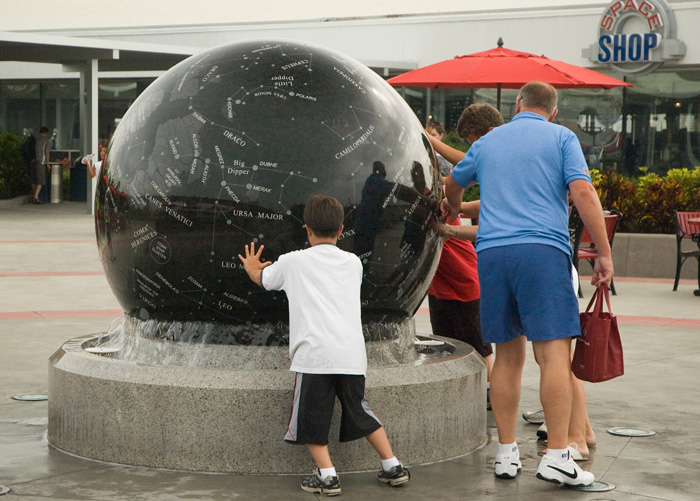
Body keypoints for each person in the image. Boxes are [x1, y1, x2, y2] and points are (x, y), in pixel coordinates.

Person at [442, 81, 613, 488]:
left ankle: (505, 454)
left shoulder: (488, 142)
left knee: (506, 356)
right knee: (554, 354)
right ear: (552, 111)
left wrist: (451, 207)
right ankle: (557, 456)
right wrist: (603, 253)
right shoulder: (561, 137)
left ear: (518, 104)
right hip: (542, 252)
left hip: (493, 256)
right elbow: (583, 192)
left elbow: (454, 181)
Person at [238, 194, 410, 497]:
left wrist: (252, 265)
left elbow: (263, 279)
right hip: (351, 355)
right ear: (341, 230)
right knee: (361, 411)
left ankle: (327, 475)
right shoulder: (354, 263)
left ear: (307, 229)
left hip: (314, 357)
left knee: (311, 419)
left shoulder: (293, 262)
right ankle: (392, 465)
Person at [427, 104, 505, 408]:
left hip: (466, 271)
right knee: (446, 335)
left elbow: (458, 175)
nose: (473, 151)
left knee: (482, 342)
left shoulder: (497, 155)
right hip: (445, 274)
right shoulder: (499, 157)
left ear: (486, 135)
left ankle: (494, 394)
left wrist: (453, 219)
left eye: (473, 143)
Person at [30, 126, 51, 204]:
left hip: (32, 161)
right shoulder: (46, 140)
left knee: (33, 179)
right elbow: (47, 153)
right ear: (45, 133)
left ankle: (34, 195)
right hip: (40, 162)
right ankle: (36, 197)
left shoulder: (34, 139)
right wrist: (48, 164)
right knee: (41, 180)